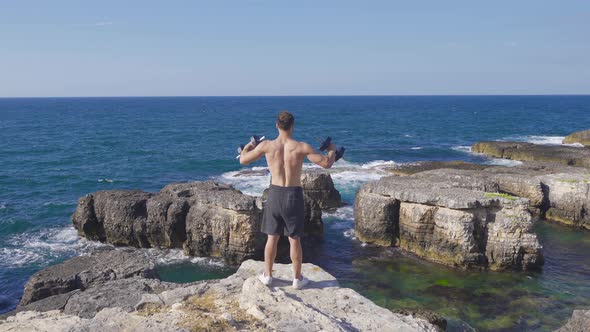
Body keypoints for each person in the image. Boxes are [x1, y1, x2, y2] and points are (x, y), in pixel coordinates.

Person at [239, 111, 337, 289]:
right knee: (294, 239)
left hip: (274, 194)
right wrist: (332, 148)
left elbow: (244, 160)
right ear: (292, 126)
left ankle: (268, 275)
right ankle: (297, 279)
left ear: (277, 126)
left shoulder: (267, 145)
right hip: (293, 195)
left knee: (272, 237)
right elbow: (327, 163)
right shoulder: (301, 147)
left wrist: (249, 145)